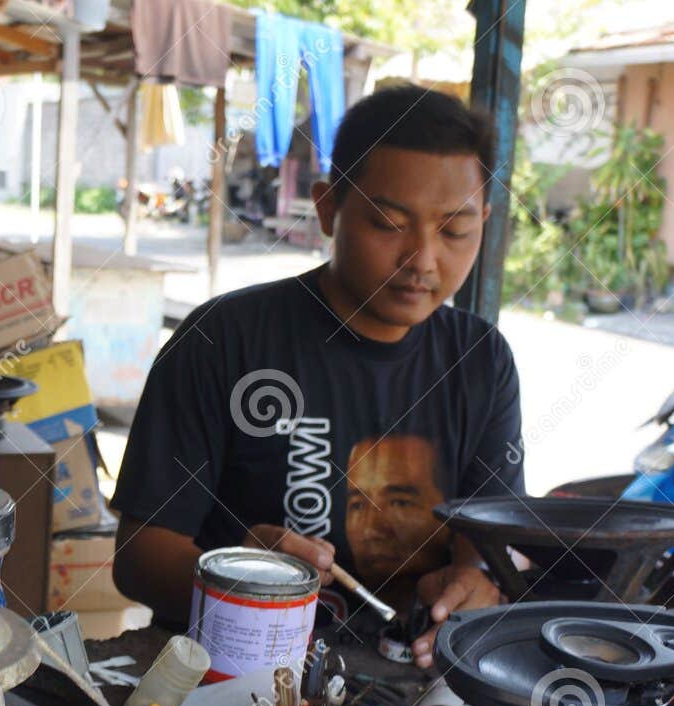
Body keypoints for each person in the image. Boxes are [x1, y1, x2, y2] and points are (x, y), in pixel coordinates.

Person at [110, 83, 523, 668]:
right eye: (389, 224)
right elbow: (138, 557)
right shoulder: (223, 341)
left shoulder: (481, 361)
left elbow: (492, 544)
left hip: (410, 677)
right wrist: (241, 579)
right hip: (231, 683)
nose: (423, 260)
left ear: (484, 218)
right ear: (329, 207)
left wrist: (472, 584)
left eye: (455, 231)